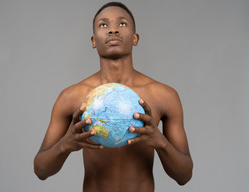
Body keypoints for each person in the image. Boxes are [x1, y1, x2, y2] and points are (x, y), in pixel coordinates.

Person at [34, 2, 193, 191]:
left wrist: (160, 142)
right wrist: (65, 145)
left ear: (135, 38)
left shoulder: (164, 96)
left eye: (122, 24)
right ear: (93, 41)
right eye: (104, 25)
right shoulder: (72, 96)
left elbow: (184, 176)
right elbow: (40, 170)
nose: (113, 30)